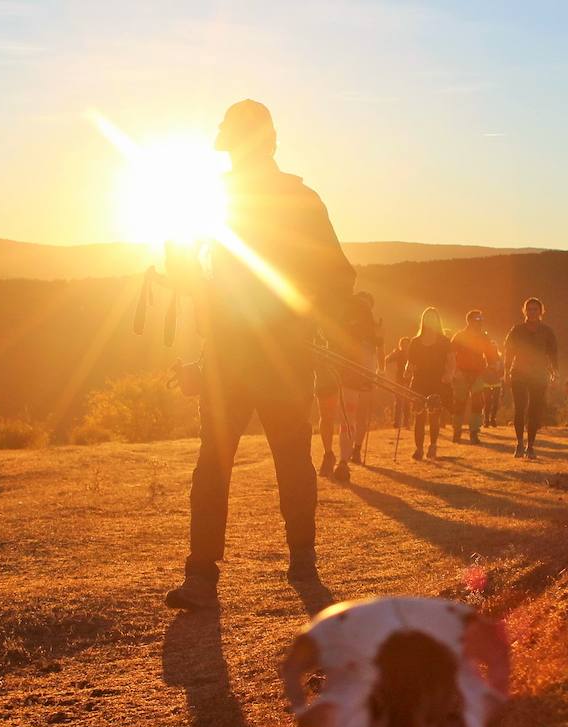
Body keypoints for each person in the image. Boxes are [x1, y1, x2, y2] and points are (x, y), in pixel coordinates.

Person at [165, 99, 355, 613]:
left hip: (240, 353)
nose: (220, 135)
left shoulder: (217, 197)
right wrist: (307, 318)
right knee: (285, 459)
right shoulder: (296, 197)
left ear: (238, 139)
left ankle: (204, 576)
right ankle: (301, 564)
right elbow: (340, 277)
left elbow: (336, 279)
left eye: (226, 129)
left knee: (218, 463)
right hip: (265, 353)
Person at [328, 291, 382, 481]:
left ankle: (346, 458)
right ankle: (349, 455)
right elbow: (376, 349)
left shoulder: (348, 319)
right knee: (356, 417)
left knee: (350, 418)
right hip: (361, 374)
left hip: (352, 375)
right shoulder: (370, 325)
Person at [502, 298, 557, 459]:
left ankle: (530, 446)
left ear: (541, 312)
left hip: (539, 374)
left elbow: (553, 353)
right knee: (520, 408)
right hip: (518, 372)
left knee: (534, 410)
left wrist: (555, 371)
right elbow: (508, 351)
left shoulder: (547, 331)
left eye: (535, 309)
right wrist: (506, 371)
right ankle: (519, 443)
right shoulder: (517, 330)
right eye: (529, 309)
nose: (532, 312)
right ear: (524, 311)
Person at [406, 307, 454, 461]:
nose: (430, 321)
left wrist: (448, 375)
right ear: (423, 321)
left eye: (433, 318)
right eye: (427, 318)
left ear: (437, 321)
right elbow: (410, 362)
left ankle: (433, 445)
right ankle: (419, 448)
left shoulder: (444, 341)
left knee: (434, 415)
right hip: (419, 381)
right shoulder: (415, 341)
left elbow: (451, 361)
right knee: (419, 416)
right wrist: (408, 370)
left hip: (437, 382)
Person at [450, 310, 494, 445]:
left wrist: (491, 367)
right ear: (469, 321)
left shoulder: (483, 337)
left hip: (478, 374)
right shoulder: (460, 336)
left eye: (481, 319)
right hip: (461, 373)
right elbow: (450, 353)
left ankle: (474, 432)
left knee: (477, 404)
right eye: (477, 319)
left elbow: (490, 354)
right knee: (459, 404)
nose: (479, 321)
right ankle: (457, 431)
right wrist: (454, 371)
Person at [384, 336, 413, 430]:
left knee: (407, 402)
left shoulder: (412, 354)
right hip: (399, 380)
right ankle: (397, 423)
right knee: (399, 402)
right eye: (404, 344)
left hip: (409, 380)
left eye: (407, 344)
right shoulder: (398, 353)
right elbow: (386, 360)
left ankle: (406, 422)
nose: (406, 346)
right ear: (401, 345)